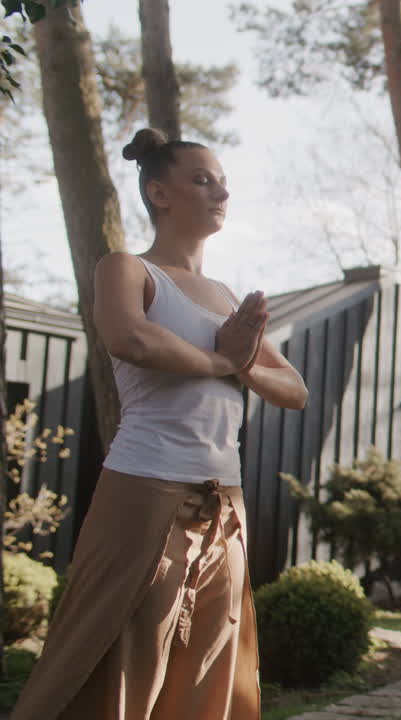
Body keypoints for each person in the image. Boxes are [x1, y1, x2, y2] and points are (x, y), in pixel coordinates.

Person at [13, 128, 307, 720]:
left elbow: (294, 389)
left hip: (225, 503)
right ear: (159, 192)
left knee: (209, 660)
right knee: (121, 649)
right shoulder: (127, 268)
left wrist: (242, 359)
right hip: (145, 487)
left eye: (222, 182)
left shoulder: (227, 297)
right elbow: (131, 338)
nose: (220, 193)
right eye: (202, 180)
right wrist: (226, 360)